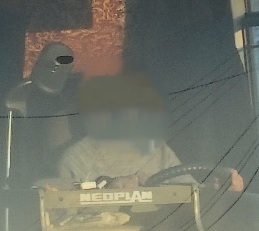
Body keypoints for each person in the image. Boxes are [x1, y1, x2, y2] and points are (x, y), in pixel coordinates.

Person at [54, 73, 182, 190]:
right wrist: (109, 190)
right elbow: (63, 208)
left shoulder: (159, 150)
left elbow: (192, 195)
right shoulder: (76, 159)